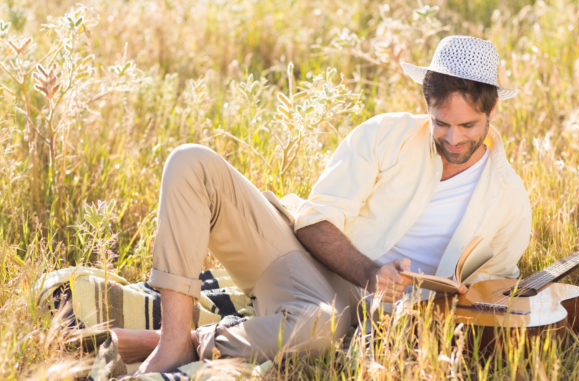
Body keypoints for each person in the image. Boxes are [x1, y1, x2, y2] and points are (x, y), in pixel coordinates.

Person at [113, 35, 532, 374]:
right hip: (300, 262)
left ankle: (191, 342)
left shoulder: (508, 199)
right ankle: (171, 343)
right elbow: (313, 221)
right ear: (426, 107)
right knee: (191, 160)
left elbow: (495, 288)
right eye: (441, 122)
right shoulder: (385, 135)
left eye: (467, 125)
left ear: (493, 109)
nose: (453, 138)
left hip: (357, 318)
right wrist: (371, 273)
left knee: (324, 325)